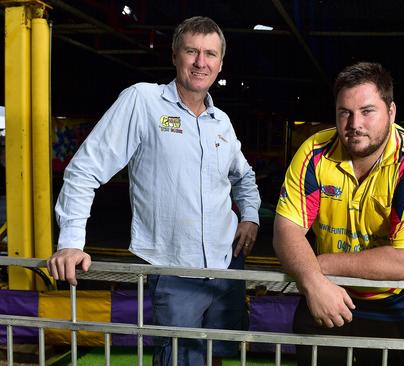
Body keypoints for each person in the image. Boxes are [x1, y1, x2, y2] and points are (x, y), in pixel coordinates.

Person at [46, 16, 261, 366]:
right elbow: (85, 168)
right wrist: (71, 242)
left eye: (210, 54)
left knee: (219, 353)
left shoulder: (220, 121)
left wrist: (249, 217)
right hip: (175, 269)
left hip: (226, 266)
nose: (200, 62)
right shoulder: (142, 101)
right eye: (191, 51)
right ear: (175, 55)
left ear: (221, 63)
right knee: (179, 358)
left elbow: (245, 177)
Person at [273, 62, 404, 365]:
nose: (354, 124)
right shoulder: (314, 151)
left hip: (396, 305)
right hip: (327, 294)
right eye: (344, 112)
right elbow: (286, 229)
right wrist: (313, 281)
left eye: (367, 111)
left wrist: (318, 265)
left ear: (391, 112)